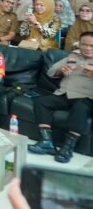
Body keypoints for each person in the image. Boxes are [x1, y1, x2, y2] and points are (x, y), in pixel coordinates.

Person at [27, 32, 93, 163]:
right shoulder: (73, 56)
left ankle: (67, 148)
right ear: (79, 45)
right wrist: (61, 70)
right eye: (84, 44)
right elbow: (51, 71)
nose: (87, 48)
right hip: (64, 94)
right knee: (41, 101)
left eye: (91, 45)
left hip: (86, 97)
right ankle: (46, 141)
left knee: (81, 107)